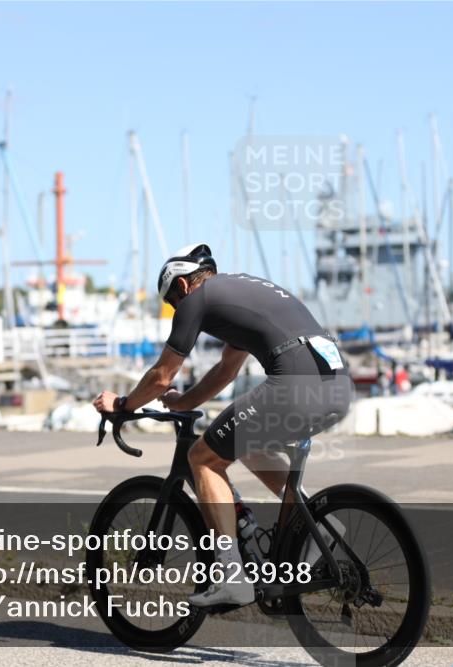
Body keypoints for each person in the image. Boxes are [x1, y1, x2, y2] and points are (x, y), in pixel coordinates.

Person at [94, 243, 352, 608]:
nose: (177, 310)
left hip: (295, 382)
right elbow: (227, 369)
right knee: (247, 444)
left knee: (202, 459)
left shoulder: (197, 299)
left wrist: (122, 405)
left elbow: (162, 375)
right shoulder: (238, 291)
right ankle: (316, 526)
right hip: (337, 386)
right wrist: (183, 403)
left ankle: (231, 576)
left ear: (182, 285)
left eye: (173, 302)